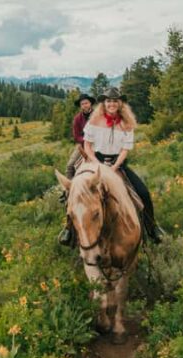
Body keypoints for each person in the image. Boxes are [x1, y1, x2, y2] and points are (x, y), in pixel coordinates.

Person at [82, 86, 164, 244]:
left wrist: (114, 167)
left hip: (117, 164)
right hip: (95, 162)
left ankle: (151, 227)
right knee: (75, 191)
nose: (111, 104)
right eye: (108, 101)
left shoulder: (127, 124)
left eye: (115, 101)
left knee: (143, 192)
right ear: (104, 103)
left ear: (120, 104)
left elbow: (125, 150)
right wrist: (98, 164)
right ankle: (69, 230)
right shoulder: (94, 121)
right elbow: (87, 146)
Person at [58, 93, 95, 245]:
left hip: (98, 145)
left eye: (86, 103)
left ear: (90, 104)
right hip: (82, 145)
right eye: (82, 104)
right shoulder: (78, 119)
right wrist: (85, 141)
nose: (85, 105)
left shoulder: (98, 115)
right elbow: (76, 136)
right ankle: (69, 190)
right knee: (70, 165)